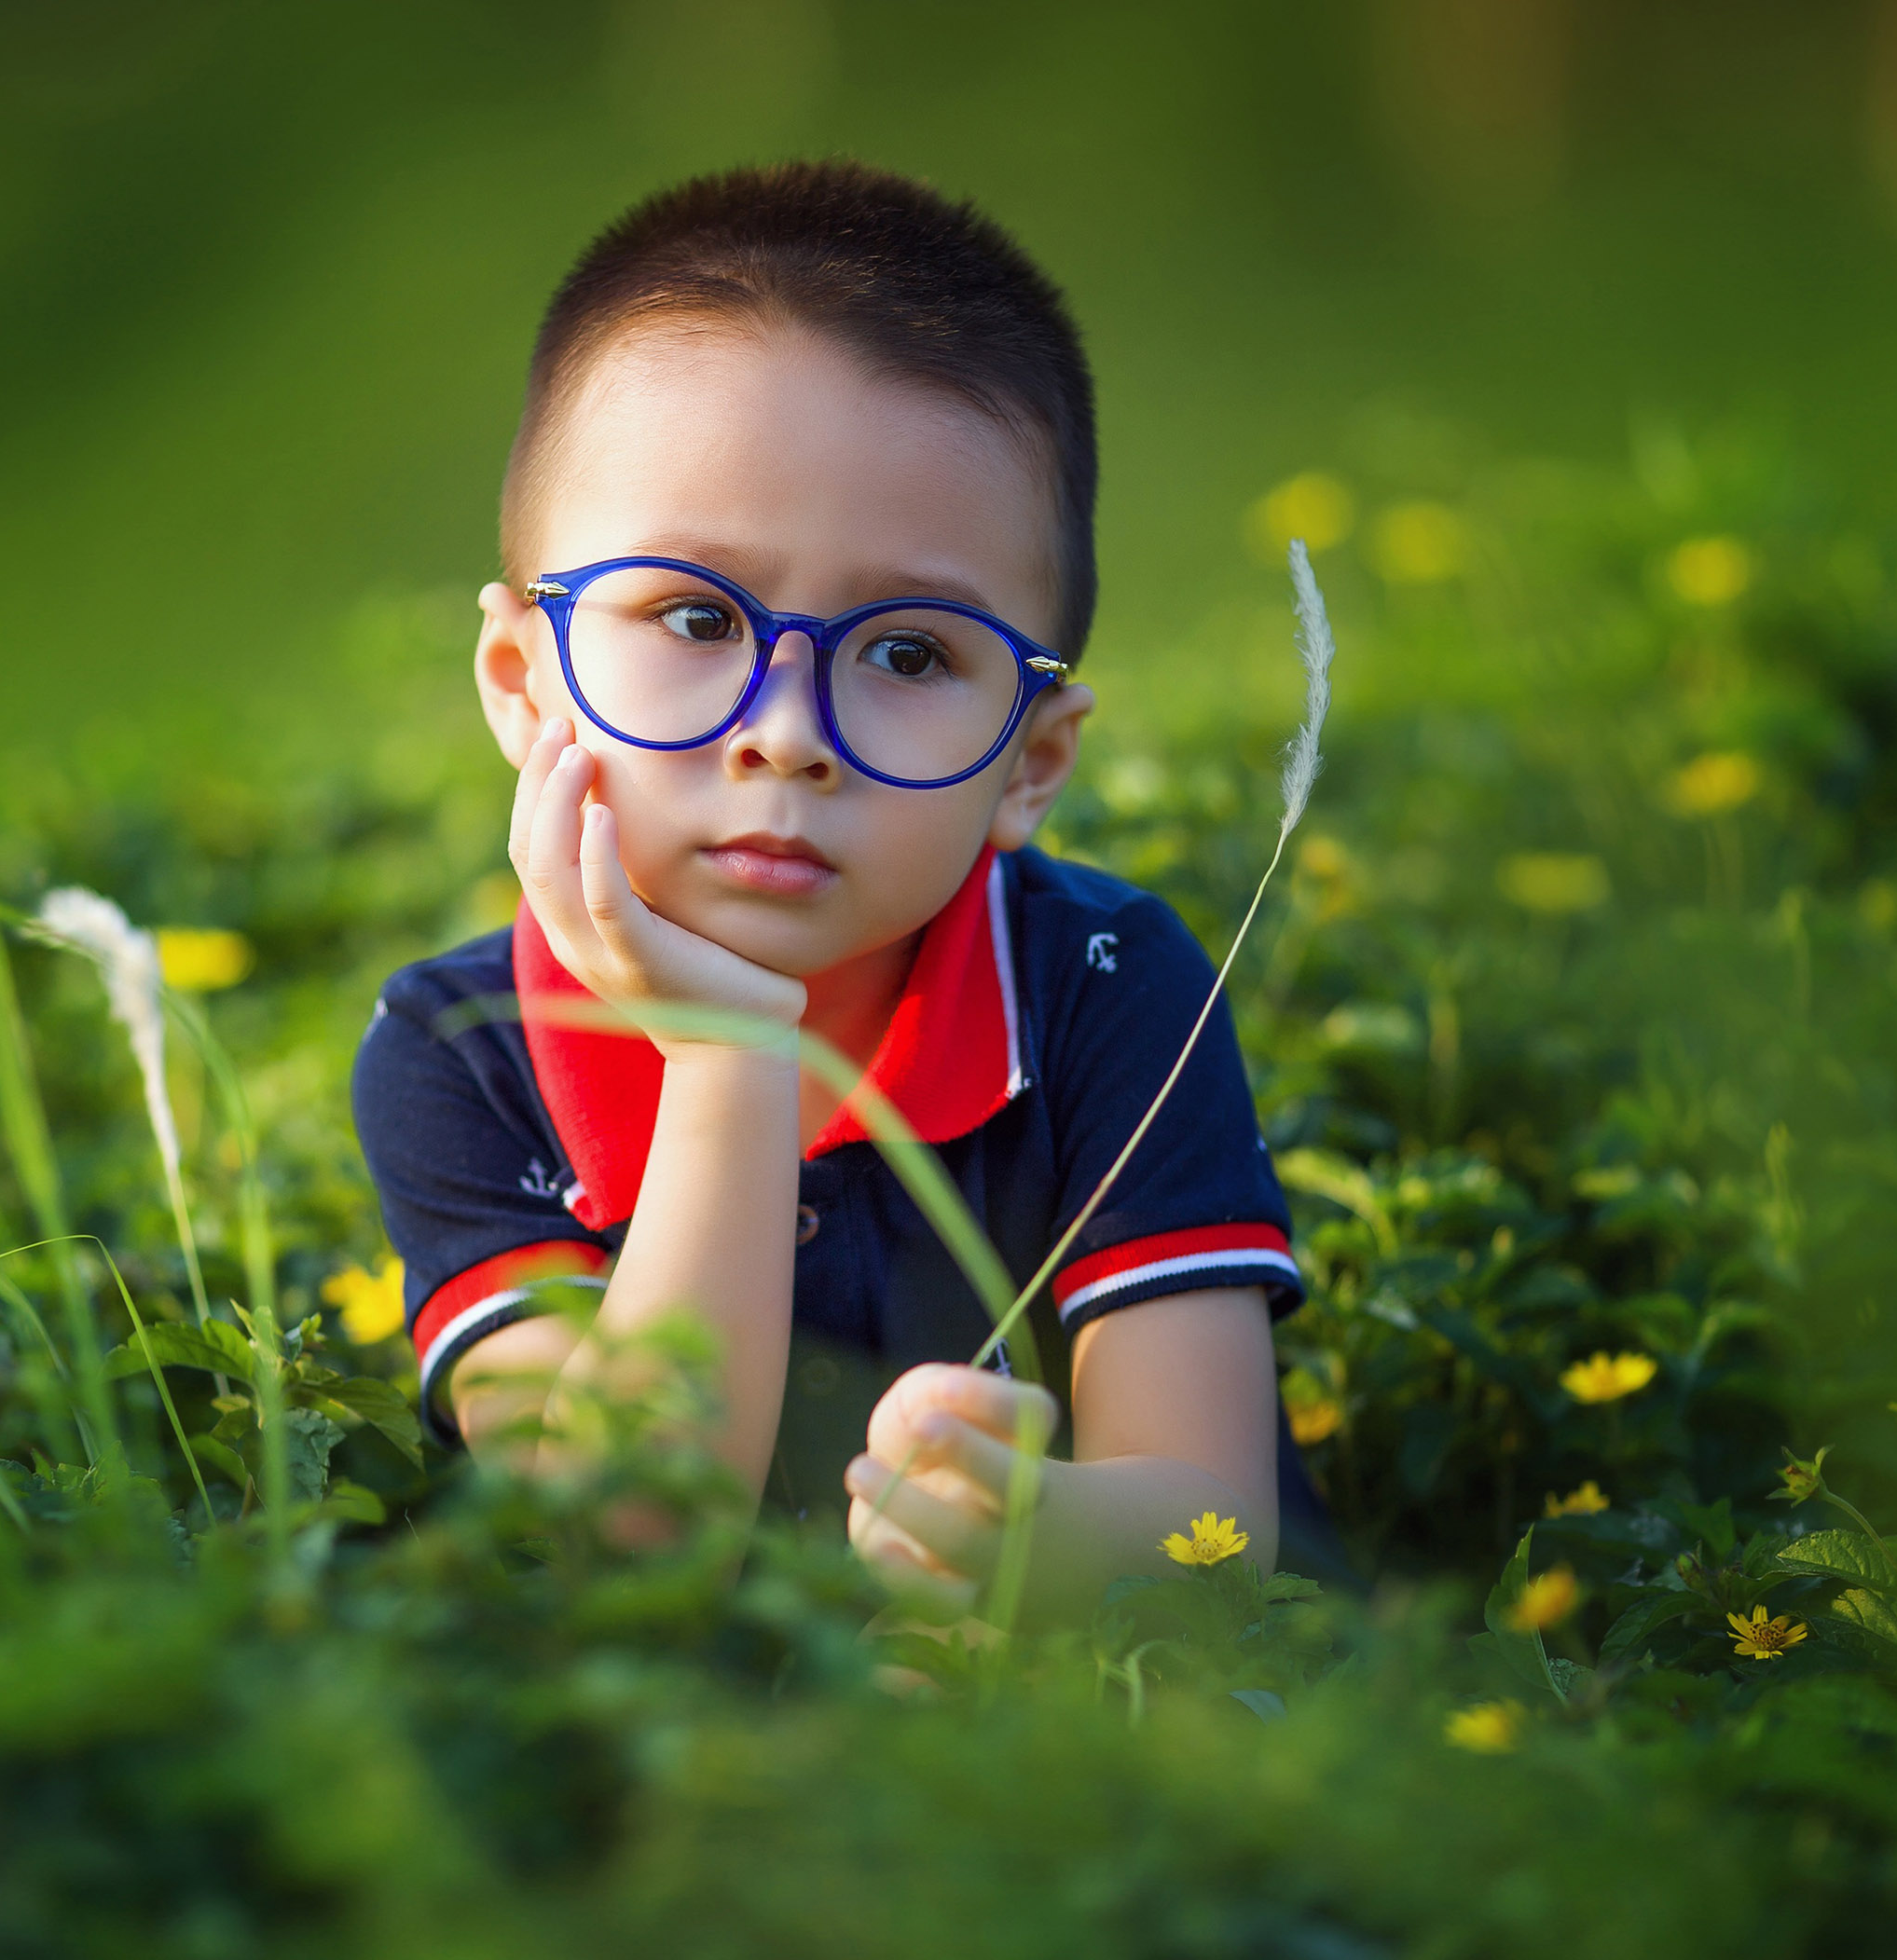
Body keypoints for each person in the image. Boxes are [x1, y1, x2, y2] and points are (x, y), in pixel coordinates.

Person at [351, 160, 1340, 1624]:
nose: (789, 734)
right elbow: (616, 1543)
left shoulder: (1105, 987)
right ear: (522, 681)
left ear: (1032, 762)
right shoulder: (460, 1049)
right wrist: (731, 1056)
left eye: (910, 655)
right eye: (694, 616)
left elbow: (1210, 1524)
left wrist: (1028, 1536)